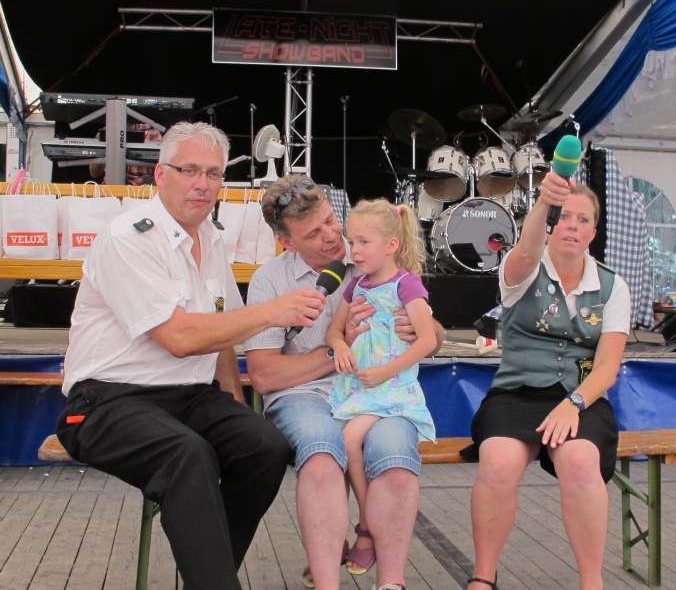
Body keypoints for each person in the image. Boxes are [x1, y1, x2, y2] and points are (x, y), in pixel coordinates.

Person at [57, 122, 327, 590]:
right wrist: (273, 311)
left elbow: (222, 333)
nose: (203, 184)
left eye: (214, 173)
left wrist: (234, 407)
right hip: (106, 401)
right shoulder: (129, 237)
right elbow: (179, 337)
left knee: (264, 447)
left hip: (190, 397)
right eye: (190, 171)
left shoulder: (212, 237)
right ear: (160, 174)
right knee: (189, 455)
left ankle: (211, 578)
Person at [245, 176, 445, 590]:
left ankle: (391, 581)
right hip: (305, 393)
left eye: (330, 221)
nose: (333, 237)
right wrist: (337, 349)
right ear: (287, 242)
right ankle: (326, 579)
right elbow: (263, 376)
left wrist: (428, 332)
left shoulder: (372, 252)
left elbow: (429, 331)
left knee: (395, 454)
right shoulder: (270, 281)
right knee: (322, 453)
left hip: (376, 389)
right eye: (313, 234)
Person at [466, 176, 631, 590]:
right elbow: (527, 249)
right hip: (517, 392)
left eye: (583, 219)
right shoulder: (522, 269)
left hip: (580, 397)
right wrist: (544, 202)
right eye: (565, 217)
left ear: (594, 231)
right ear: (551, 225)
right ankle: (484, 576)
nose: (573, 225)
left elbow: (607, 368)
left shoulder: (613, 286)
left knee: (580, 462)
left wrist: (574, 402)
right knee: (498, 463)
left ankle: (592, 582)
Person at [326, 199, 438, 571]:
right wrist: (342, 345)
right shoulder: (355, 284)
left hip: (390, 387)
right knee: (342, 445)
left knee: (348, 440)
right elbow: (333, 331)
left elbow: (426, 340)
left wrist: (386, 372)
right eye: (351, 242)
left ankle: (366, 525)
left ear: (391, 245)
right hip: (361, 385)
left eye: (363, 242)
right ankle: (363, 522)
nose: (355, 251)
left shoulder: (406, 285)